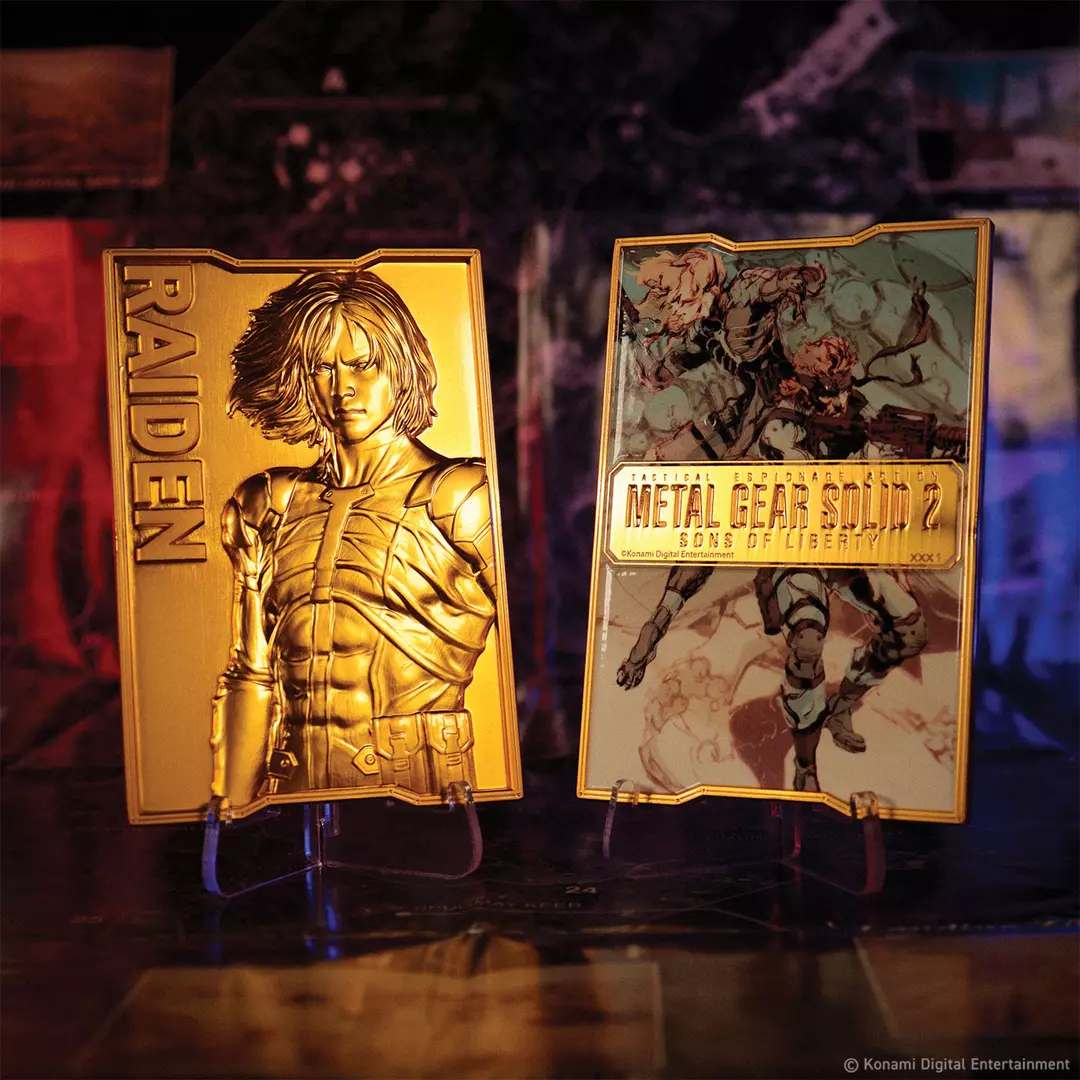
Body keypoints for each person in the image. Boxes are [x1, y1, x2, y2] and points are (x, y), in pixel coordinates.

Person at [210, 270, 497, 811]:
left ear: (401, 365)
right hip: (293, 793)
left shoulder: (461, 497)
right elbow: (251, 672)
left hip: (419, 800)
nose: (342, 387)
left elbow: (530, 663)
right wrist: (228, 809)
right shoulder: (267, 504)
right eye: (323, 367)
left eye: (363, 364)